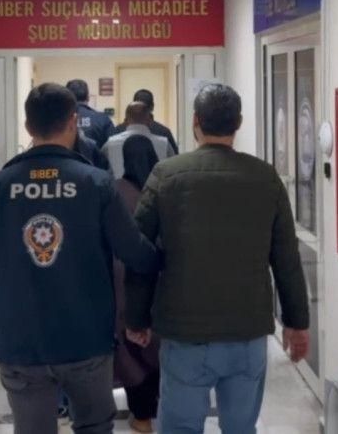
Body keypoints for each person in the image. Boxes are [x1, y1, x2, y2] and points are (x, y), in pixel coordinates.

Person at [0, 83, 159, 434]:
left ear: (27, 126)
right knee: (94, 427)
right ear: (72, 123)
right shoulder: (96, 183)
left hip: (20, 341)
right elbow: (135, 252)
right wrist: (167, 263)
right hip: (87, 338)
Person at [125, 84, 310, 434]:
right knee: (241, 428)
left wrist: (136, 317)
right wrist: (297, 323)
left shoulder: (166, 175)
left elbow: (140, 253)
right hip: (247, 332)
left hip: (185, 333)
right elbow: (286, 257)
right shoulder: (265, 177)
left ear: (195, 121)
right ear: (238, 123)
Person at [112, 136, 163, 433]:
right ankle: (162, 406)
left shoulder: (115, 190)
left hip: (123, 279)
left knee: (131, 348)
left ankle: (142, 416)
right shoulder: (165, 187)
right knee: (160, 344)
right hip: (163, 278)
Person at [101, 102, 174, 180]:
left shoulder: (109, 144)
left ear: (125, 122)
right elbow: (173, 171)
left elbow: (100, 170)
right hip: (157, 187)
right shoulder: (165, 144)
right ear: (150, 121)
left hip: (118, 187)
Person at [113, 89, 178, 154]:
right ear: (152, 106)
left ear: (133, 105)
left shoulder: (117, 131)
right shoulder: (164, 132)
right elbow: (175, 158)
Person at [67, 79, 115, 148]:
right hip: (96, 154)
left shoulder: (59, 119)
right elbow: (112, 146)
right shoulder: (103, 119)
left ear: (67, 98)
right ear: (88, 98)